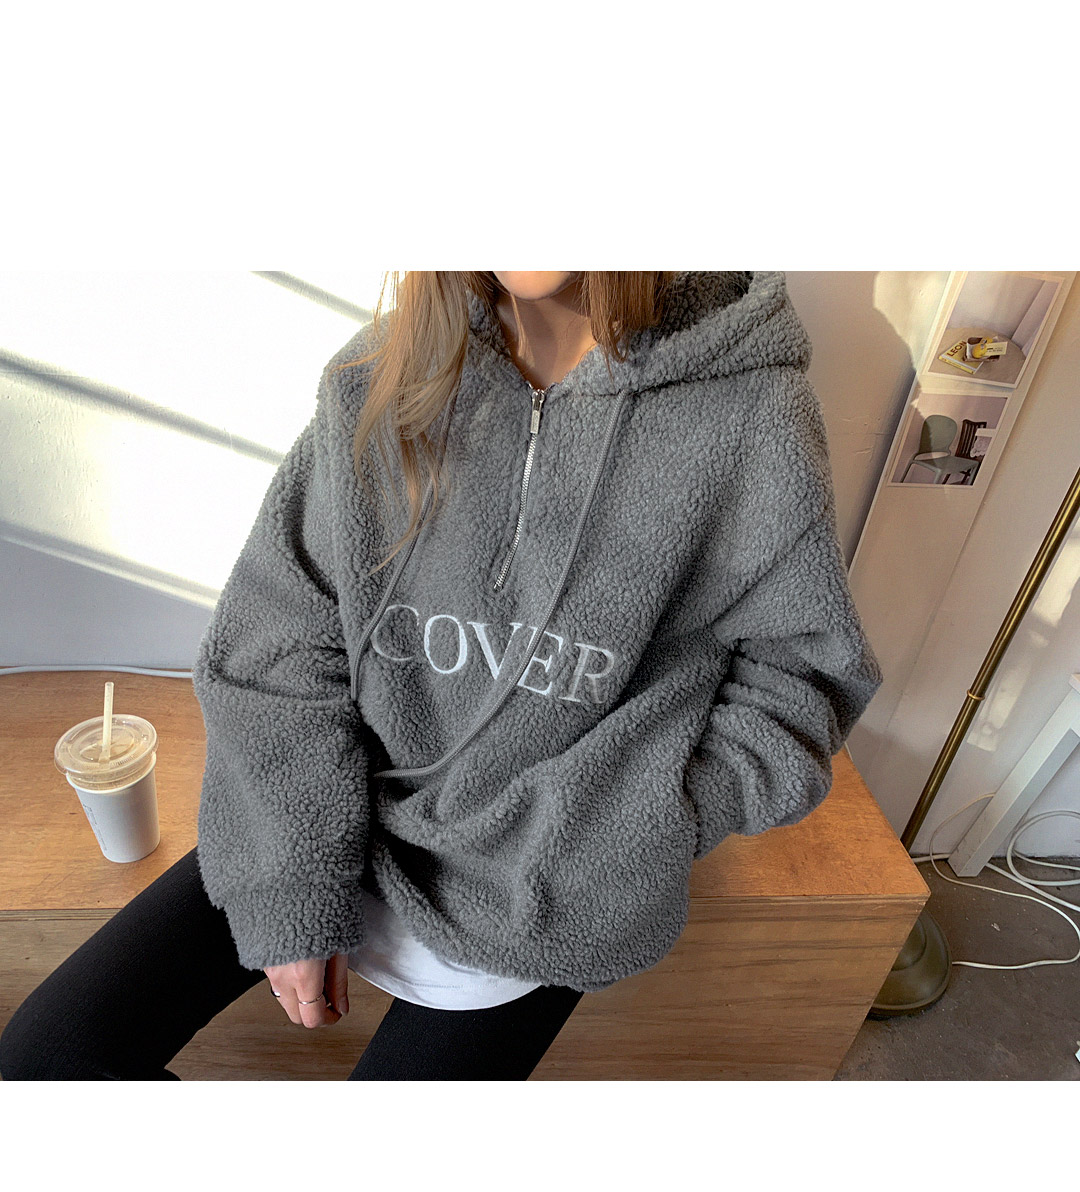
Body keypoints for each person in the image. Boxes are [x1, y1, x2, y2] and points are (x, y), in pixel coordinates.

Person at [0, 270, 884, 1081]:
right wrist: (293, 884)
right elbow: (278, 638)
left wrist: (638, 822)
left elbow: (801, 678)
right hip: (329, 809)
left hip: (550, 882)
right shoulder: (379, 374)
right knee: (42, 1066)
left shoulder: (750, 410)